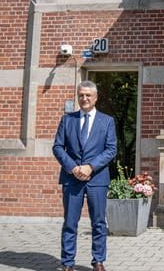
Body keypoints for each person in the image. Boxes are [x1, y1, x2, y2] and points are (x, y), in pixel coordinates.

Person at [52, 80, 117, 271]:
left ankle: (98, 261)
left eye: (88, 95)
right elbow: (57, 147)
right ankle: (67, 263)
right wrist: (73, 168)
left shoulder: (107, 121)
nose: (84, 98)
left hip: (97, 179)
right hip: (72, 179)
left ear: (96, 98)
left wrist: (90, 166)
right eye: (81, 95)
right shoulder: (67, 120)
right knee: (70, 222)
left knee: (98, 223)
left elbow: (111, 149)